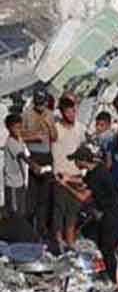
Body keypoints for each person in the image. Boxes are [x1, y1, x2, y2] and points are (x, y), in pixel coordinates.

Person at [66, 145, 118, 282]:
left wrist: (65, 185)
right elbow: (83, 181)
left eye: (76, 161)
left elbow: (83, 197)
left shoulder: (98, 174)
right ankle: (109, 272)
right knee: (100, 243)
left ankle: (114, 279)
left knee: (107, 249)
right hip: (105, 214)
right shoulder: (96, 170)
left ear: (82, 161)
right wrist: (68, 178)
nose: (75, 164)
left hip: (111, 215)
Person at [51, 96, 86, 248]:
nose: (72, 114)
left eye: (74, 111)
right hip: (60, 175)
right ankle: (58, 240)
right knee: (59, 210)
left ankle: (70, 241)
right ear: (62, 112)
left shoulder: (80, 128)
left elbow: (84, 148)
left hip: (76, 175)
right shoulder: (56, 128)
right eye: (68, 112)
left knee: (73, 211)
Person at [21, 90, 56, 236]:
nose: (41, 107)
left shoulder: (49, 114)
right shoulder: (27, 114)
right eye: (38, 103)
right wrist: (34, 136)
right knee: (32, 195)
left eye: (43, 103)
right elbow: (20, 134)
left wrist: (49, 126)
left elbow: (54, 137)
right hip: (33, 156)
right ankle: (28, 226)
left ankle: (41, 228)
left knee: (44, 195)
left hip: (46, 156)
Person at [3, 114, 32, 219]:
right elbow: (22, 156)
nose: (18, 130)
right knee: (14, 212)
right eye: (16, 128)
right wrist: (35, 166)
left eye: (20, 127)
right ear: (9, 128)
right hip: (12, 184)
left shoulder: (18, 139)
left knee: (21, 211)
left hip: (20, 182)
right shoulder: (11, 142)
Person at [94, 111, 118, 195]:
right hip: (113, 179)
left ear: (108, 125)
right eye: (97, 125)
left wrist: (99, 176)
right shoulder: (104, 139)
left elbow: (109, 163)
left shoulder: (109, 140)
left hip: (112, 179)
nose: (98, 128)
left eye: (101, 125)